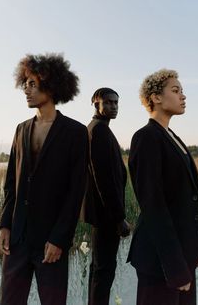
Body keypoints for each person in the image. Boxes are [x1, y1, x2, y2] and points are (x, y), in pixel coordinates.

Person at [0, 53, 88, 305]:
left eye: (33, 83)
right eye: (25, 83)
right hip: (17, 239)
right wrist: (4, 225)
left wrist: (59, 238)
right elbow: (10, 184)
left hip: (51, 242)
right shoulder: (21, 128)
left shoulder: (75, 132)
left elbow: (75, 192)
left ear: (52, 84)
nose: (26, 89)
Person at [127, 69, 198, 305]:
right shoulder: (146, 137)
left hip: (183, 255)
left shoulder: (171, 136)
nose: (183, 96)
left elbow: (185, 200)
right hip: (160, 262)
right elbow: (154, 206)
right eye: (176, 91)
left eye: (182, 91)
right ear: (156, 98)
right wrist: (174, 268)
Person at [81, 87, 130, 305]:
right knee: (104, 270)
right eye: (108, 102)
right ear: (96, 104)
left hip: (103, 214)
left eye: (116, 103)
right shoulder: (99, 130)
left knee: (99, 268)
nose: (113, 107)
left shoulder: (97, 128)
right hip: (106, 216)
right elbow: (104, 179)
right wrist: (118, 218)